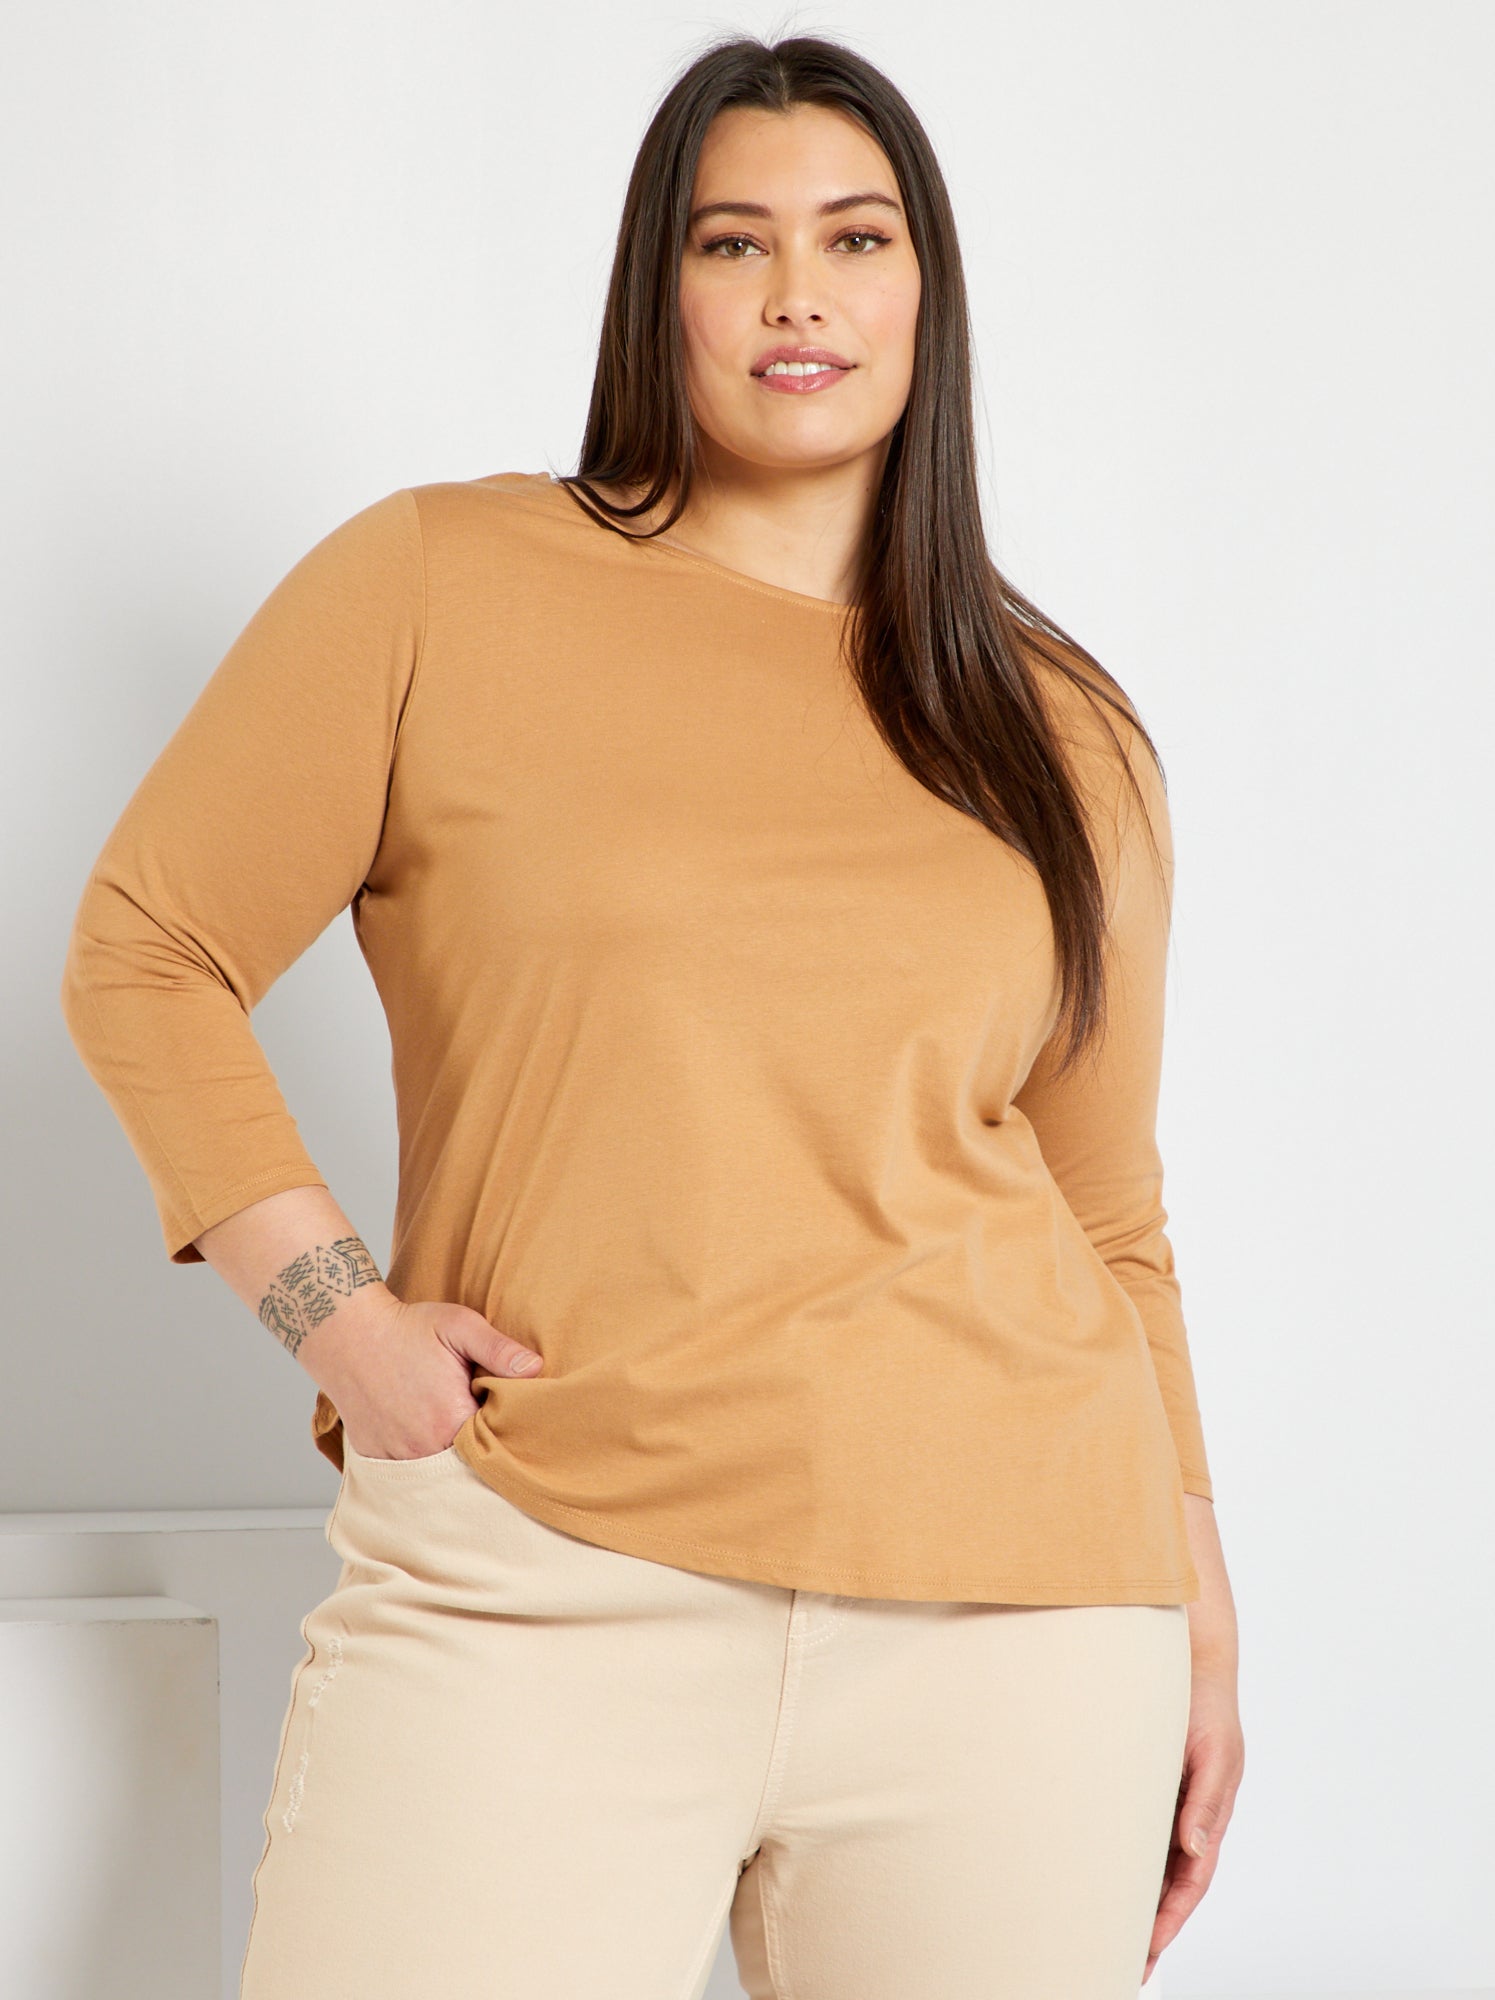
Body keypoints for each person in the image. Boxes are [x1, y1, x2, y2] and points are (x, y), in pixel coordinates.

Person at [59, 30, 1244, 2000]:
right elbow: (147, 945)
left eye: (856, 238)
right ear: (657, 289)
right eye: (732, 241)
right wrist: (340, 1321)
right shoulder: (437, 582)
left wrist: (1195, 1602)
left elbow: (1107, 1205)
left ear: (927, 292)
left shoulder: (1062, 729)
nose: (798, 294)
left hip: (1024, 1619)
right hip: (539, 1571)